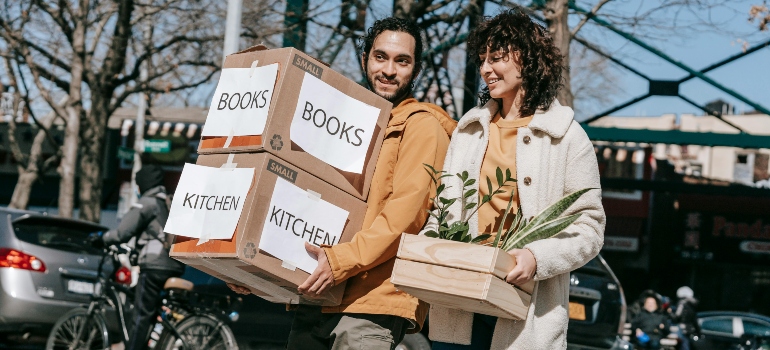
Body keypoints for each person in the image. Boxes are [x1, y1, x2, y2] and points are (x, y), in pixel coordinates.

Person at [228, 17, 457, 350]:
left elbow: (405, 217)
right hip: (315, 296)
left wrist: (340, 262)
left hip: (369, 305)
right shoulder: (348, 123)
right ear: (365, 60)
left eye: (402, 61)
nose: (389, 70)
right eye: (380, 57)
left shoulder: (423, 127)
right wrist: (255, 267)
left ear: (416, 70)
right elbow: (305, 199)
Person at [420, 9, 605, 350]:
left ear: (527, 59)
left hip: (526, 318)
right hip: (458, 307)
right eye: (482, 59)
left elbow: (589, 228)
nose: (486, 69)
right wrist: (430, 248)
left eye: (497, 57)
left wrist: (537, 258)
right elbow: (442, 213)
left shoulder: (566, 136)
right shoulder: (468, 131)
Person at [90, 164, 186, 350]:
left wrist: (102, 239)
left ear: (143, 183)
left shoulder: (147, 203)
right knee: (145, 304)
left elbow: (122, 233)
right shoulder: (167, 202)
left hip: (155, 266)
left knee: (140, 315)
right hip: (174, 264)